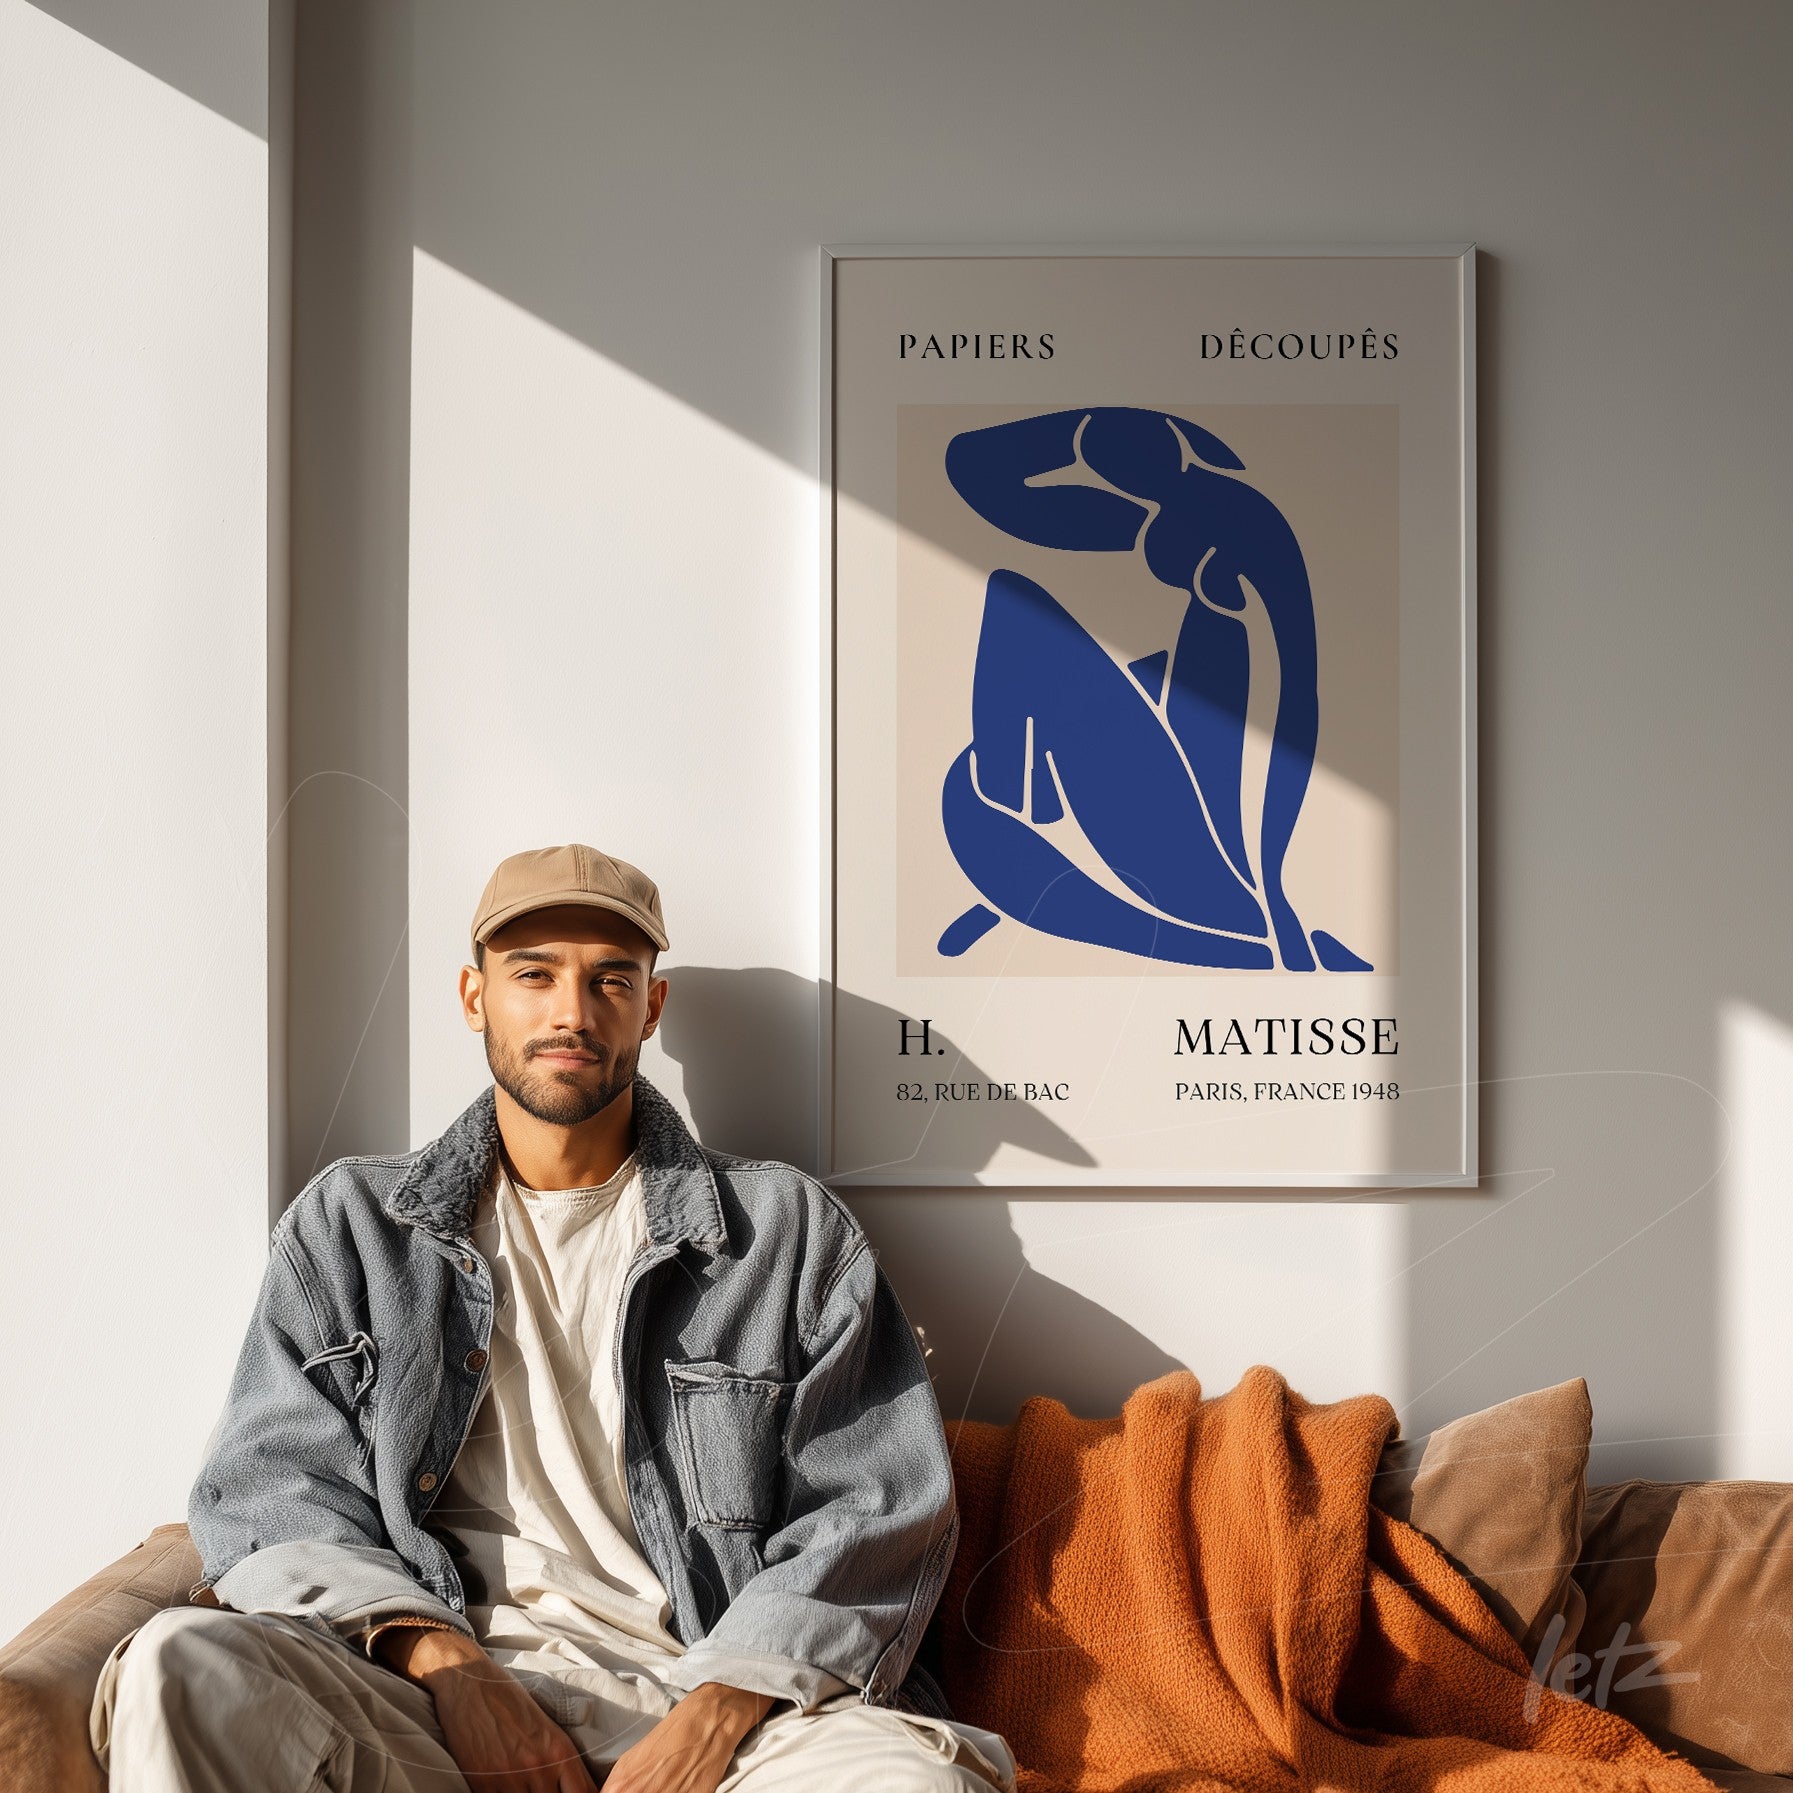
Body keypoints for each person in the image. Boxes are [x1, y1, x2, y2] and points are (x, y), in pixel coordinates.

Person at [93, 844, 1015, 1793]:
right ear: (473, 995)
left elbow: (875, 1509)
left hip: (712, 1698)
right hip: (427, 1705)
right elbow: (269, 1493)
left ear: (650, 1007)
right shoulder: (352, 1228)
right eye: (533, 974)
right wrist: (454, 1671)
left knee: (920, 1782)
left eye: (609, 979)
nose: (571, 1011)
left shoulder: (781, 1232)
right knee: (177, 1668)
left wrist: (714, 1713)